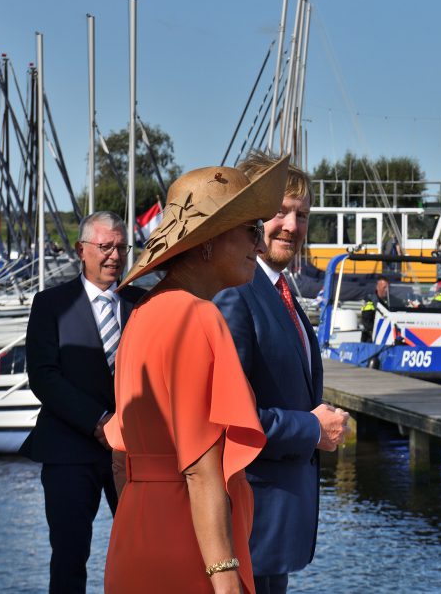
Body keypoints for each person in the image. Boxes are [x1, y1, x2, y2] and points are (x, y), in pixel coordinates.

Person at [102, 158, 290, 594]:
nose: (259, 245)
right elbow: (201, 470)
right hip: (191, 548)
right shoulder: (197, 316)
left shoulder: (143, 314)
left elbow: (118, 457)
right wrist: (225, 579)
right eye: (249, 230)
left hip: (135, 535)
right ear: (206, 242)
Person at [214, 152, 350, 594]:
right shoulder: (236, 294)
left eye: (302, 215)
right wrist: (312, 428)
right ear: (250, 218)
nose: (292, 225)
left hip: (276, 527)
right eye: (280, 212)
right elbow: (230, 418)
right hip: (252, 518)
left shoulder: (280, 289)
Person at [21, 211, 146, 594]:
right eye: (105, 246)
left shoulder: (143, 305)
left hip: (133, 454)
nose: (114, 255)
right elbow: (43, 376)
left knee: (143, 554)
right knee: (69, 559)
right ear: (81, 250)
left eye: (121, 247)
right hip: (68, 453)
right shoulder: (50, 304)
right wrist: (98, 421)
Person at [361, 276, 395, 342]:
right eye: (384, 287)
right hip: (372, 338)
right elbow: (367, 323)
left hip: (390, 336)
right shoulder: (369, 301)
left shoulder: (392, 300)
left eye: (388, 287)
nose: (386, 290)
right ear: (377, 287)